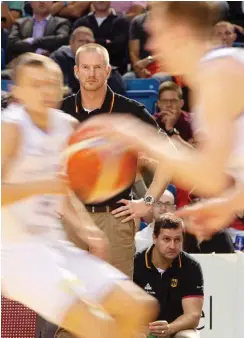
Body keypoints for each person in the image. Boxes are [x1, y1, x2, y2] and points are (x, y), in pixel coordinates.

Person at [1, 53, 158, 338]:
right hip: (17, 254)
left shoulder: (66, 125)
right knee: (97, 326)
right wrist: (42, 185)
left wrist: (88, 230)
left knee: (139, 307)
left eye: (51, 83)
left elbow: (64, 189)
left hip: (55, 245)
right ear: (17, 91)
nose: (45, 91)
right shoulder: (11, 126)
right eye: (35, 85)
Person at [79, 2, 244, 238]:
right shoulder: (218, 70)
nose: (150, 45)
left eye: (156, 35)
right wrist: (229, 204)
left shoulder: (218, 73)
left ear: (180, 32)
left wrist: (133, 133)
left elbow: (210, 176)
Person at [61, 43, 167, 279]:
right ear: (76, 71)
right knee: (71, 303)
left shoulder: (130, 111)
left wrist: (147, 202)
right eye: (86, 67)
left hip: (115, 220)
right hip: (71, 219)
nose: (91, 73)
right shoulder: (61, 111)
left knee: (116, 304)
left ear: (108, 71)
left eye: (98, 67)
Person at [134, 213, 204, 338]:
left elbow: (193, 315)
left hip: (176, 328)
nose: (172, 246)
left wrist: (169, 328)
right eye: (166, 239)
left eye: (177, 240)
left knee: (188, 337)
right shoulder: (135, 263)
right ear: (154, 238)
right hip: (141, 329)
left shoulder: (191, 266)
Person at [50, 26, 125, 94]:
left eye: (88, 41)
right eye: (81, 41)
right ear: (71, 43)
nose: (84, 44)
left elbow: (119, 87)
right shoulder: (59, 58)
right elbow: (61, 88)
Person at [73, 1, 130, 74]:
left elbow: (118, 49)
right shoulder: (80, 23)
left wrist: (89, 44)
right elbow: (76, 48)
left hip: (115, 73)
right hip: (84, 72)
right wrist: (105, 42)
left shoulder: (123, 23)